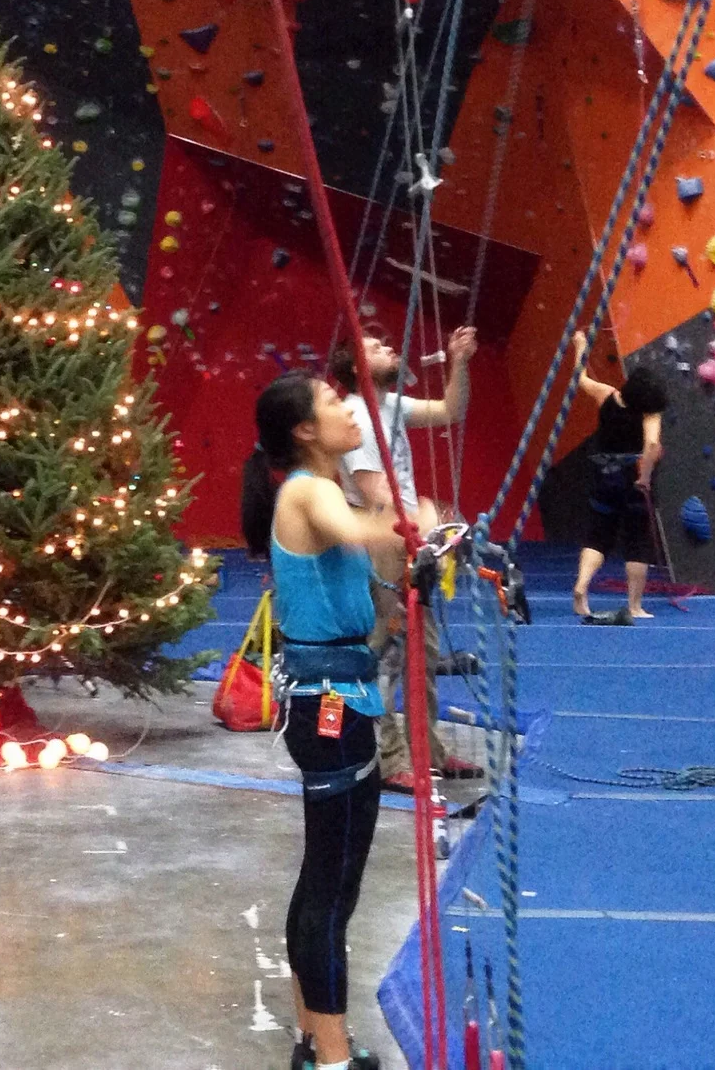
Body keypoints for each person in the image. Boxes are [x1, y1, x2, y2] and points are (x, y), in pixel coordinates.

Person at [242, 372, 445, 1070]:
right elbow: (358, 529)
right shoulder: (308, 489)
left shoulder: (328, 488)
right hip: (328, 707)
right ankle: (331, 1057)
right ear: (304, 429)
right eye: (333, 403)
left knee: (329, 880)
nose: (347, 410)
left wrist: (403, 574)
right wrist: (412, 517)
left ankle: (313, 1035)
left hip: (340, 695)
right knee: (333, 886)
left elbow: (372, 598)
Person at [327, 326, 479, 792]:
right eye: (376, 347)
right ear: (356, 367)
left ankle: (426, 748)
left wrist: (459, 362)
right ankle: (390, 758)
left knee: (423, 650)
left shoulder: (389, 406)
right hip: (384, 542)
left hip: (408, 537)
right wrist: (431, 523)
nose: (390, 347)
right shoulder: (356, 417)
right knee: (385, 652)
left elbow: (452, 410)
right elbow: (378, 499)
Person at [565, 332, 671, 624]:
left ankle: (581, 586)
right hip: (632, 479)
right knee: (637, 541)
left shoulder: (607, 395)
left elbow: (580, 379)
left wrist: (581, 348)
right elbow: (650, 446)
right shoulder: (649, 414)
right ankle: (635, 605)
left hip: (604, 475)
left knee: (599, 534)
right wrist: (646, 477)